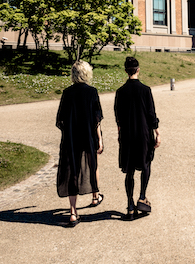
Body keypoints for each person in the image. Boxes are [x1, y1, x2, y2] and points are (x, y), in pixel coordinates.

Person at [56, 60, 104, 227]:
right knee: (93, 165)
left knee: (72, 172)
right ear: (87, 73)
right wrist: (100, 139)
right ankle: (95, 196)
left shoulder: (67, 93)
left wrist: (69, 130)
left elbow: (60, 119)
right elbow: (96, 119)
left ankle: (73, 212)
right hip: (88, 136)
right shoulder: (92, 92)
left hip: (71, 138)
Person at [115, 57, 161, 221]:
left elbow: (118, 117)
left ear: (126, 71)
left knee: (130, 171)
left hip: (127, 134)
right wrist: (157, 132)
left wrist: (120, 135)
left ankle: (129, 205)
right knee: (146, 163)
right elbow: (151, 113)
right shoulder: (145, 90)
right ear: (138, 69)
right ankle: (142, 196)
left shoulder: (120, 92)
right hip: (143, 133)